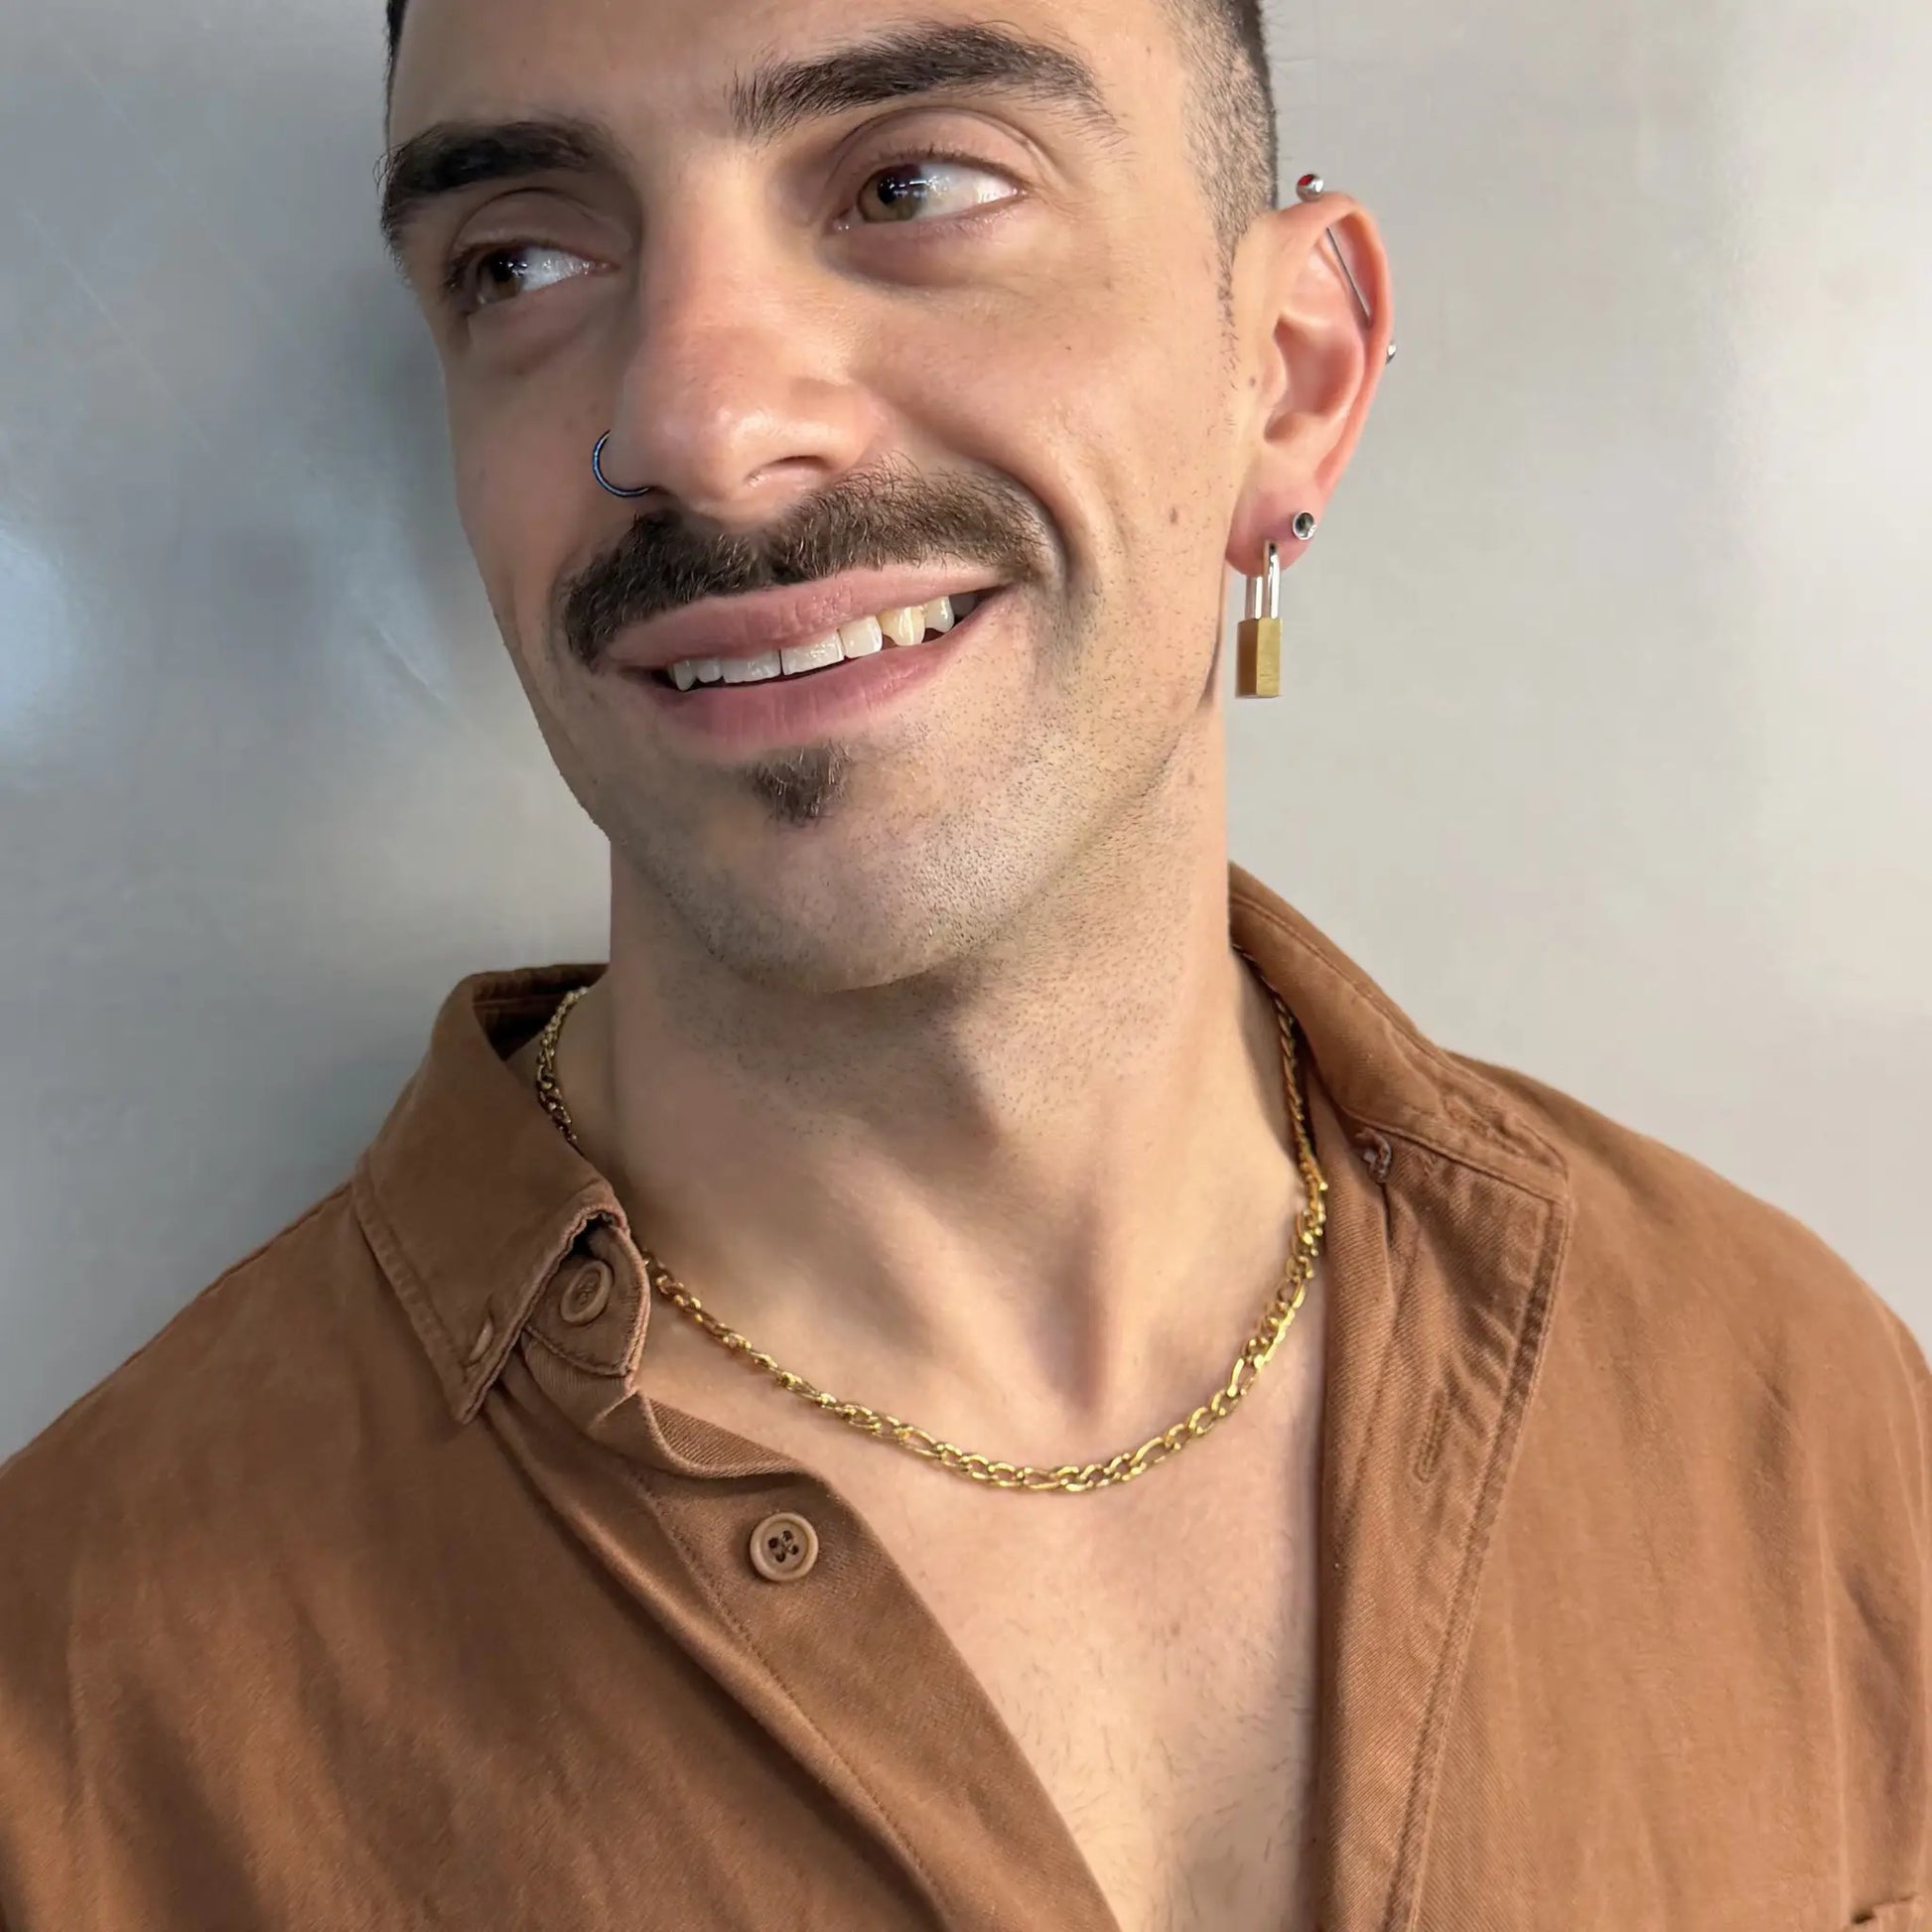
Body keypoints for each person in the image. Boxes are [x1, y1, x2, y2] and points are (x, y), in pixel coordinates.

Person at [1, 0, 1925, 1925]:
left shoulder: (1788, 1413)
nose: (693, 424)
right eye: (525, 257)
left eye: (912, 182)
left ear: (1290, 374)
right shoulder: (72, 1707)